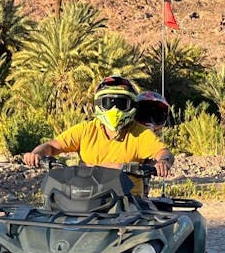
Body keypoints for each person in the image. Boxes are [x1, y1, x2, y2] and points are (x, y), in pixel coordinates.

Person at [23, 76, 174, 189]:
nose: (114, 110)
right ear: (98, 104)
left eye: (121, 104)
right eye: (108, 103)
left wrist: (163, 162)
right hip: (84, 196)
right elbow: (52, 146)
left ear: (132, 105)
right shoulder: (86, 129)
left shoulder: (139, 133)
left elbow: (162, 152)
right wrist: (36, 153)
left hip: (128, 203)